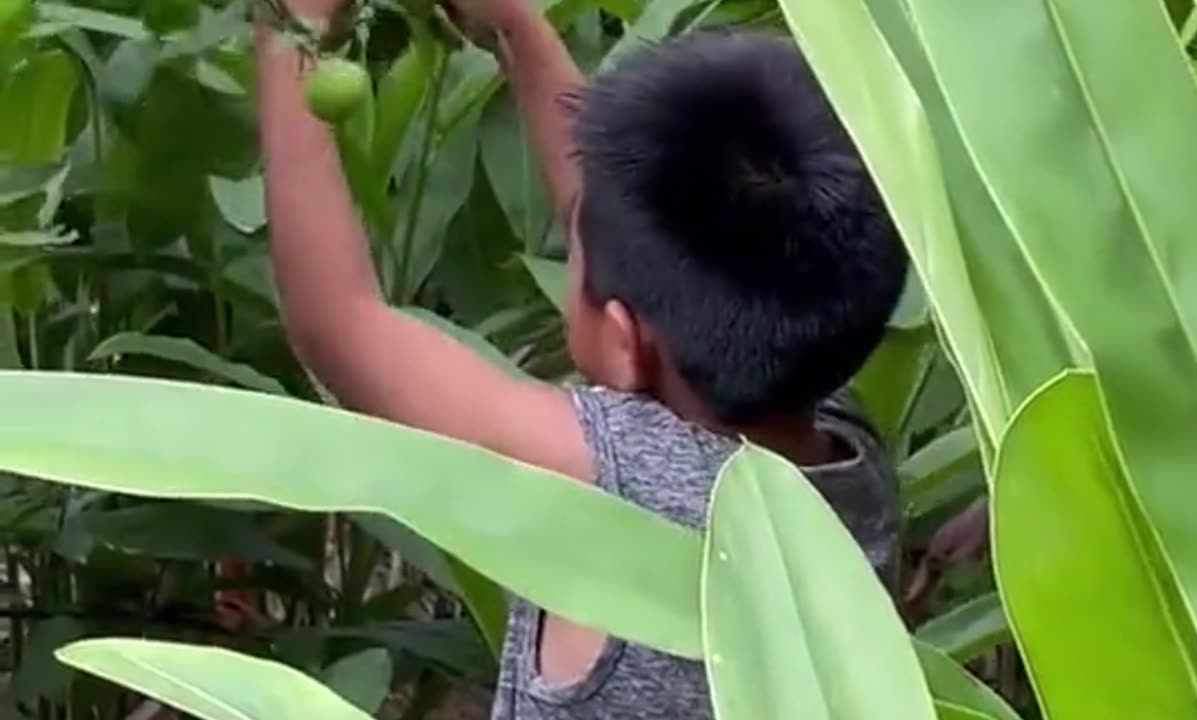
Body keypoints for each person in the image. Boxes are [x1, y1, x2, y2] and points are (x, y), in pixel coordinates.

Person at [254, 0, 908, 716]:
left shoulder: (616, 481)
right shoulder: (842, 443)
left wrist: (294, 36)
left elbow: (340, 323)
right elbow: (621, 229)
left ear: (626, 344)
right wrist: (517, 29)